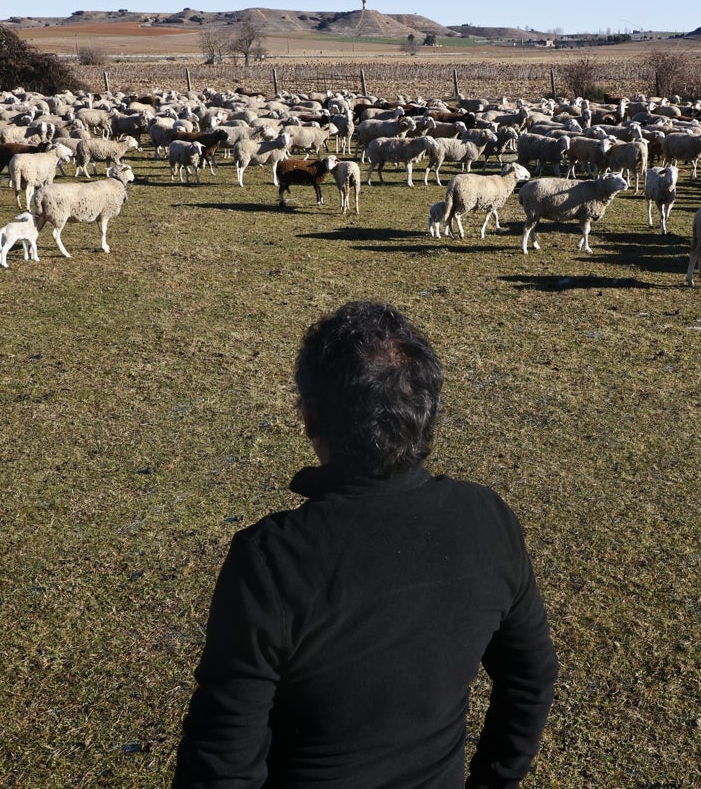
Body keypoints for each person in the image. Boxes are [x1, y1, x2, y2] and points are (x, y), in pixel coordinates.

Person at [173, 300, 558, 788]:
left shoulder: (271, 560)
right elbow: (532, 678)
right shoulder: (488, 519)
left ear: (310, 417)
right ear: (428, 412)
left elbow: (221, 760)